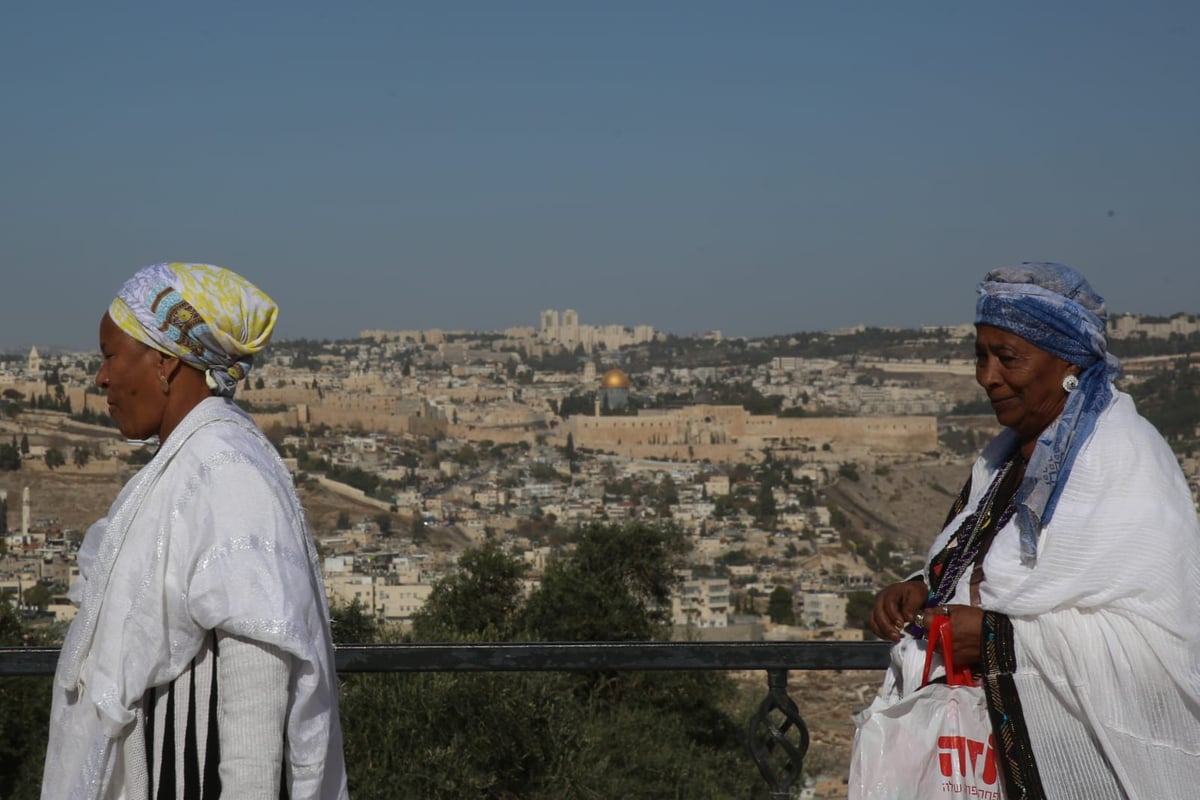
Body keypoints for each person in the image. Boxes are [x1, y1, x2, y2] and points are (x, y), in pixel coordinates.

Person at [866, 263, 1200, 799]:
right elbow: (998, 566)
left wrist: (999, 641)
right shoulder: (1006, 459)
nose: (987, 376)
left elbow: (1161, 650)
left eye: (1008, 358)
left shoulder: (1120, 460)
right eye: (981, 355)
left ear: (1067, 361)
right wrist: (924, 588)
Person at [43, 263, 348, 799]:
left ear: (163, 361)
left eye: (110, 356)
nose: (102, 378)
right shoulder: (193, 462)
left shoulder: (227, 470)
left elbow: (258, 660)